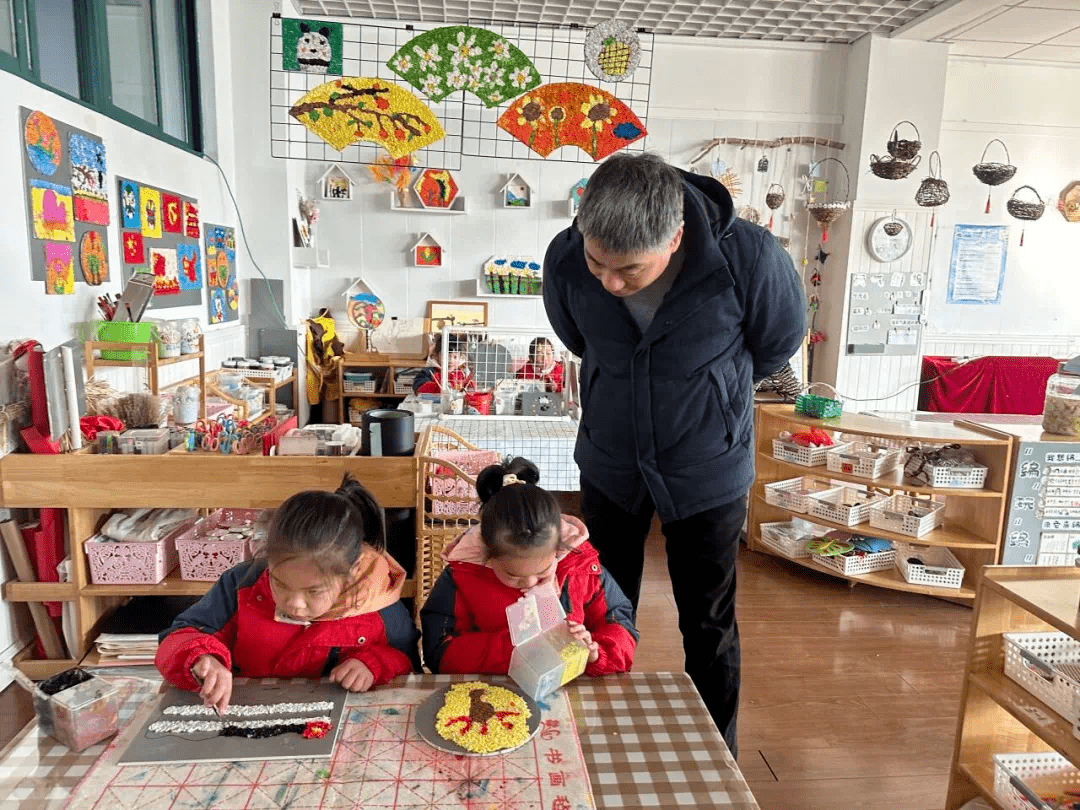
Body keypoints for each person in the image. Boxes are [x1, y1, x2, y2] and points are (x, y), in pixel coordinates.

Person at [542, 152, 806, 755]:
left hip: (707, 466)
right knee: (595, 612)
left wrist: (704, 393)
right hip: (612, 460)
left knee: (708, 623)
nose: (609, 281)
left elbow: (773, 347)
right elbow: (579, 337)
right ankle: (594, 747)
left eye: (628, 270)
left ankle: (719, 756)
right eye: (597, 263)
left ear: (676, 236)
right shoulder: (564, 255)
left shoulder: (752, 259)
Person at [155, 474, 419, 712]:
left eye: (313, 591)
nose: (294, 604)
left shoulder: (379, 604)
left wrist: (372, 664)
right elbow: (179, 636)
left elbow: (408, 663)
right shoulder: (240, 585)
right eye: (279, 583)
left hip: (333, 723)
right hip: (245, 713)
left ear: (351, 572)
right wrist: (200, 657)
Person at [420, 457, 637, 675]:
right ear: (486, 554)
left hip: (570, 691)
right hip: (494, 692)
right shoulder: (463, 576)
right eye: (512, 576)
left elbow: (621, 626)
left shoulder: (580, 568)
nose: (530, 582)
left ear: (559, 549)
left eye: (543, 571)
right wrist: (514, 648)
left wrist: (595, 652)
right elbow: (438, 651)